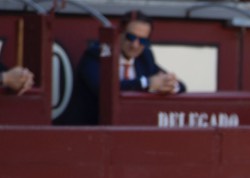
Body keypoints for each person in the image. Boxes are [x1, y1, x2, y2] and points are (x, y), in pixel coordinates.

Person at [57, 10, 185, 125]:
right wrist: (147, 82)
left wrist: (171, 84)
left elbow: (181, 86)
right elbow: (107, 89)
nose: (135, 45)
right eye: (131, 37)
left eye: (143, 41)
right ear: (119, 34)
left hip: (130, 130)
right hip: (90, 131)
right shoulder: (97, 54)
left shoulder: (144, 56)